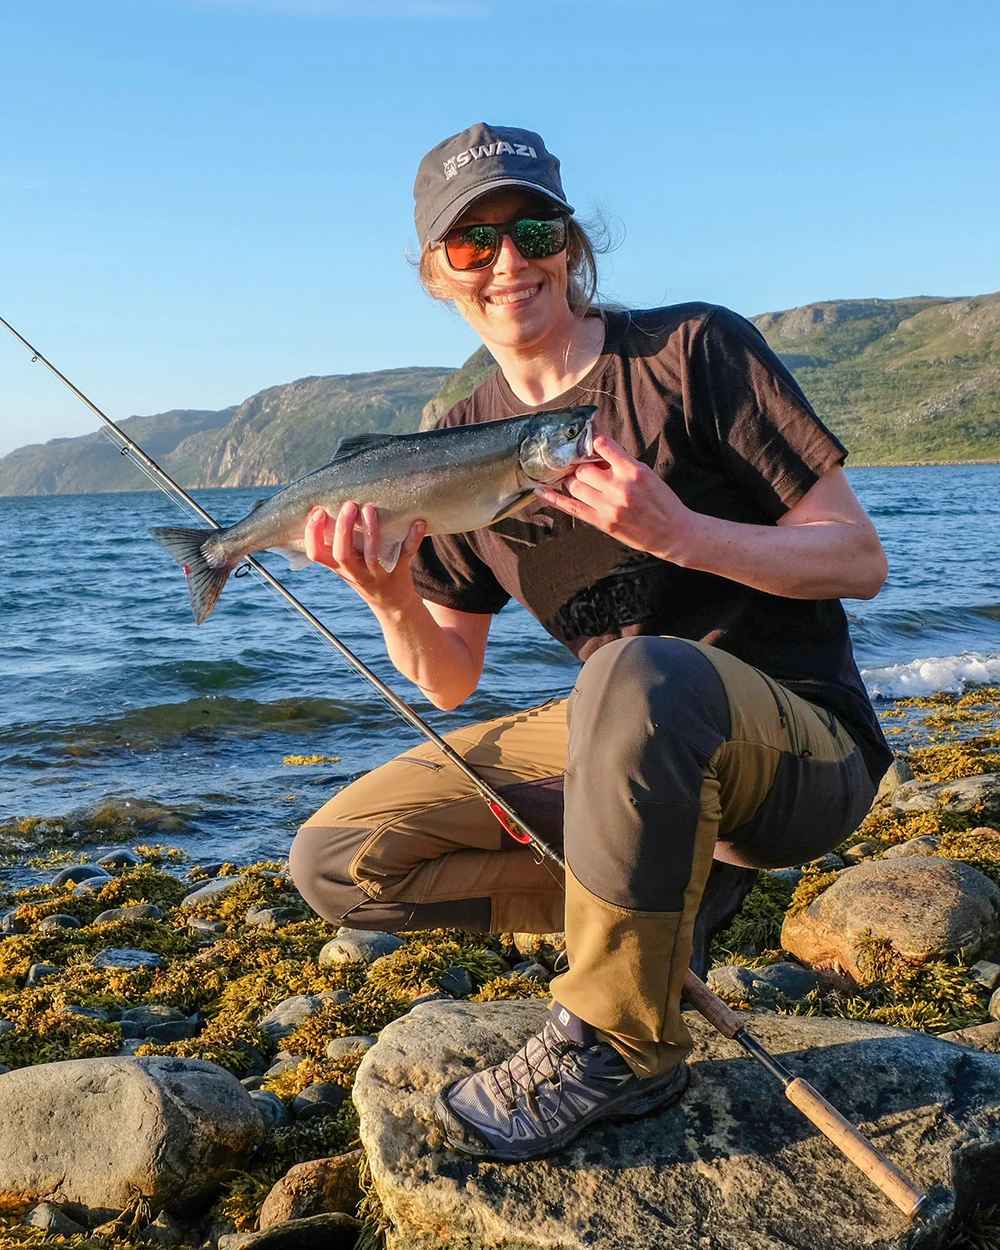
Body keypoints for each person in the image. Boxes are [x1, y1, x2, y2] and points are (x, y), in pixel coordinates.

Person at [288, 122, 892, 1163]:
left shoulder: (691, 353)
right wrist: (388, 596)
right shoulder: (454, 442)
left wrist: (684, 533)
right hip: (633, 744)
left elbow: (856, 559)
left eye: (532, 229)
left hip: (801, 749)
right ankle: (665, 908)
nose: (509, 262)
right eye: (472, 245)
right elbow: (450, 675)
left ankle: (619, 1042)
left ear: (572, 245)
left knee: (632, 670)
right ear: (436, 274)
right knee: (337, 859)